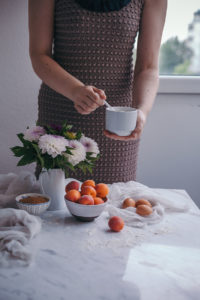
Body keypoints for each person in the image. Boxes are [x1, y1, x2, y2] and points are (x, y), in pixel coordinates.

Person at [28, 0, 167, 183]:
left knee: (114, 201)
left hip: (118, 122)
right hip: (61, 112)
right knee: (55, 200)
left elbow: (148, 67)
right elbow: (39, 54)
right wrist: (75, 90)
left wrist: (141, 110)